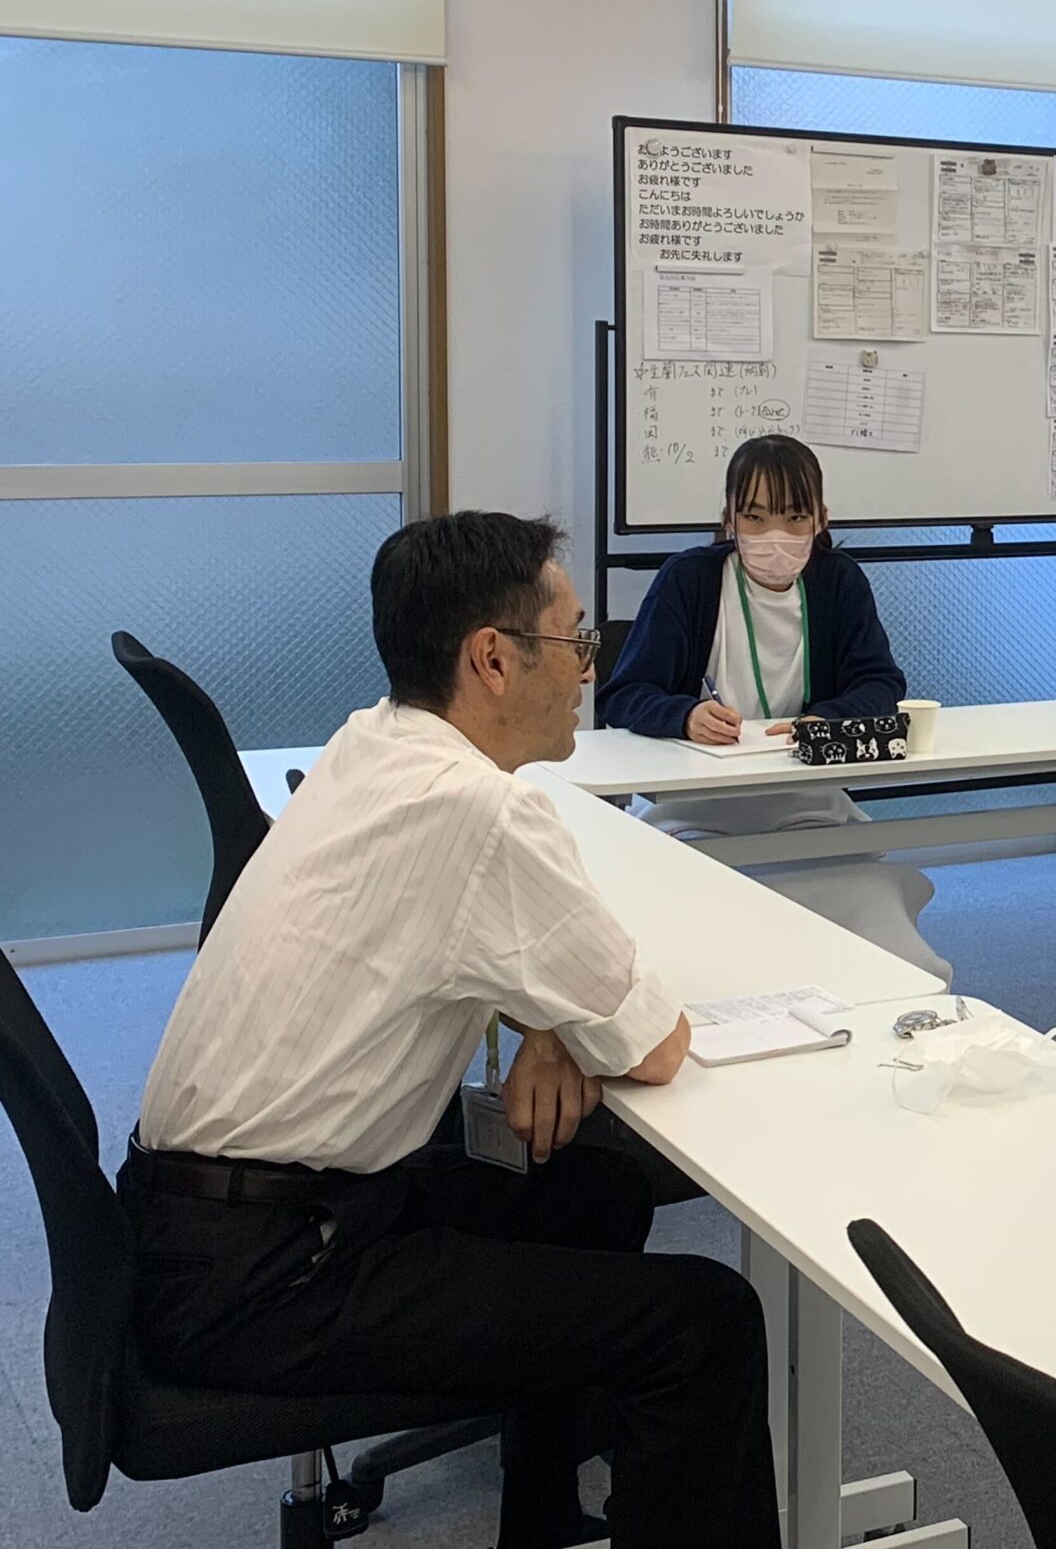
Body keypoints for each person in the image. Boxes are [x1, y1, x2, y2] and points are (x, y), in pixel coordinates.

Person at [122, 511, 779, 1549]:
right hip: (274, 1277)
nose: (590, 669)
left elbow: (481, 944)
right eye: (576, 641)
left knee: (594, 1195)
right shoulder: (485, 813)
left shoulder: (370, 741)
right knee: (704, 1323)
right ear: (493, 660)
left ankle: (543, 1522)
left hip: (197, 1226)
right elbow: (654, 1046)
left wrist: (552, 1023)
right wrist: (566, 1014)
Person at [598, 434, 947, 980]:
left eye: (794, 517)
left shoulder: (839, 581)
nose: (774, 536)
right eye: (755, 518)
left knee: (869, 915)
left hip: (806, 804)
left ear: (821, 520)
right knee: (697, 920)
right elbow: (623, 695)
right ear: (728, 519)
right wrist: (685, 716)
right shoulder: (689, 580)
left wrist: (826, 721)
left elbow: (881, 682)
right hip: (693, 809)